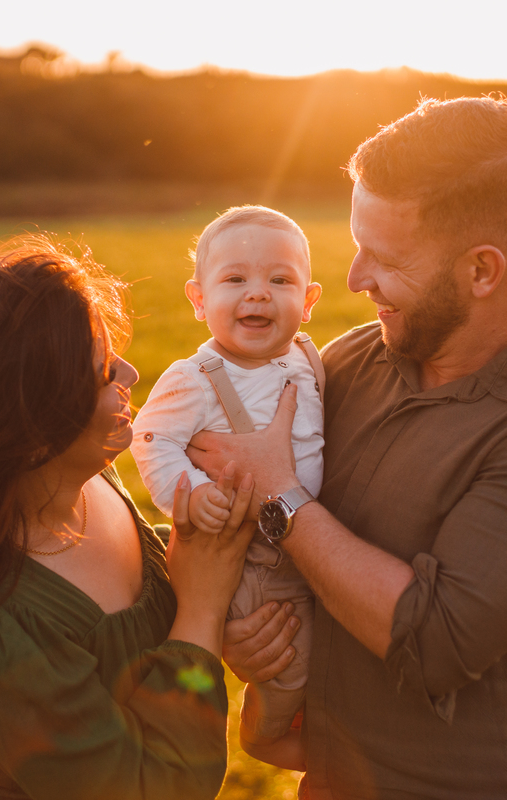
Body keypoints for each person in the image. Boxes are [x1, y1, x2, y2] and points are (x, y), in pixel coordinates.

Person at [192, 96, 507, 798]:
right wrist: (241, 625)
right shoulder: (350, 360)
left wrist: (282, 497)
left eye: (387, 258)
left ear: (482, 271)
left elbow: (433, 642)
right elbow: (264, 541)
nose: (356, 277)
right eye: (358, 244)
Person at [0, 237, 256, 800]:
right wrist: (203, 613)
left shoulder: (83, 480)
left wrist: (223, 592)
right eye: (103, 371)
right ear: (29, 430)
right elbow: (153, 787)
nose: (131, 372)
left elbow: (143, 610)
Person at [131, 205, 323, 766]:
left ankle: (326, 730)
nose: (258, 293)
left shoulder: (308, 359)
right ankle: (267, 732)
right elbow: (152, 439)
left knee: (329, 658)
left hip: (311, 544)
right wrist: (193, 492)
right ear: (199, 299)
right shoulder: (195, 377)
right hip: (252, 558)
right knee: (287, 659)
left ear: (308, 300)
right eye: (235, 279)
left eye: (280, 280)